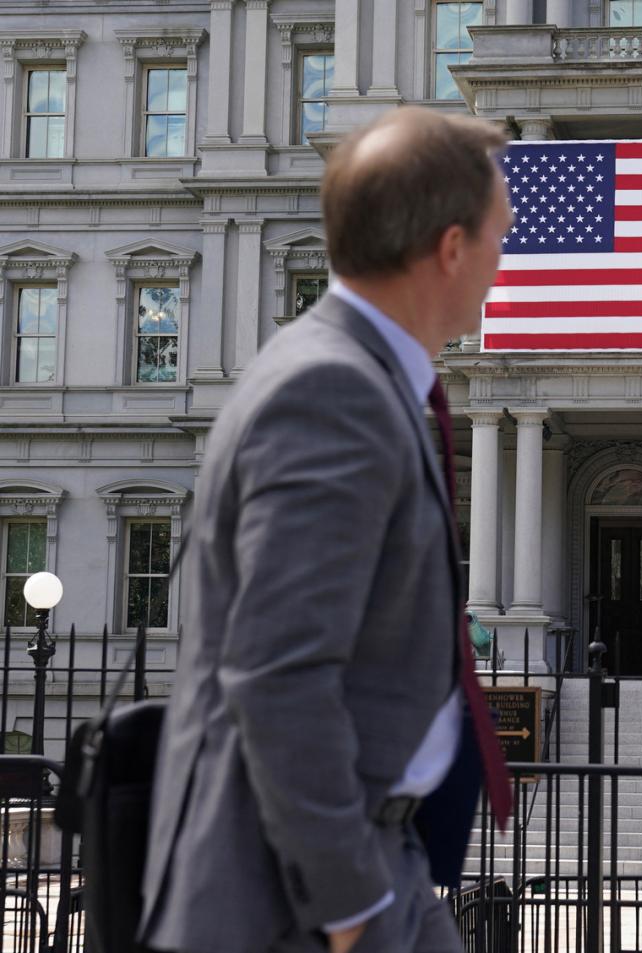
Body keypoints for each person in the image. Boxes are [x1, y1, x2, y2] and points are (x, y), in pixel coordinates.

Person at [139, 107, 514, 953]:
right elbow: (276, 671)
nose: (503, 262)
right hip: (299, 892)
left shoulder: (356, 377)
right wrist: (348, 904)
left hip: (381, 860)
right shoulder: (330, 394)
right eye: (499, 238)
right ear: (450, 249)